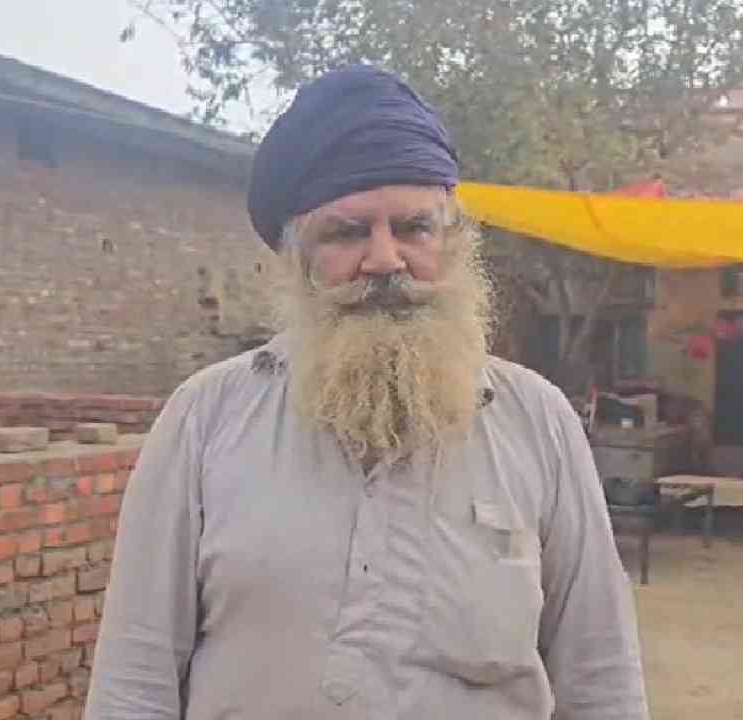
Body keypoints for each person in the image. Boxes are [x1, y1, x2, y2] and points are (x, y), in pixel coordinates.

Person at [85, 65, 648, 720]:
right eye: (348, 232)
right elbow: (134, 682)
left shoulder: (538, 421)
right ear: (296, 258)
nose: (384, 260)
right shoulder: (206, 417)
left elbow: (602, 682)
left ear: (453, 244)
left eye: (414, 228)